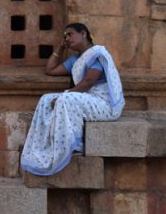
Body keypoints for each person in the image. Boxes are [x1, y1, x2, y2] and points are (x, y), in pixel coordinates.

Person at [21, 23, 124, 176]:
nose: (67, 38)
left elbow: (88, 82)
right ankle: (45, 144)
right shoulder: (76, 59)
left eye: (70, 34)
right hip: (89, 100)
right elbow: (50, 70)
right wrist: (61, 48)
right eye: (65, 36)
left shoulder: (96, 54)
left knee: (65, 99)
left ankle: (75, 146)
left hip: (104, 105)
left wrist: (64, 95)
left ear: (83, 34)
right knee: (46, 99)